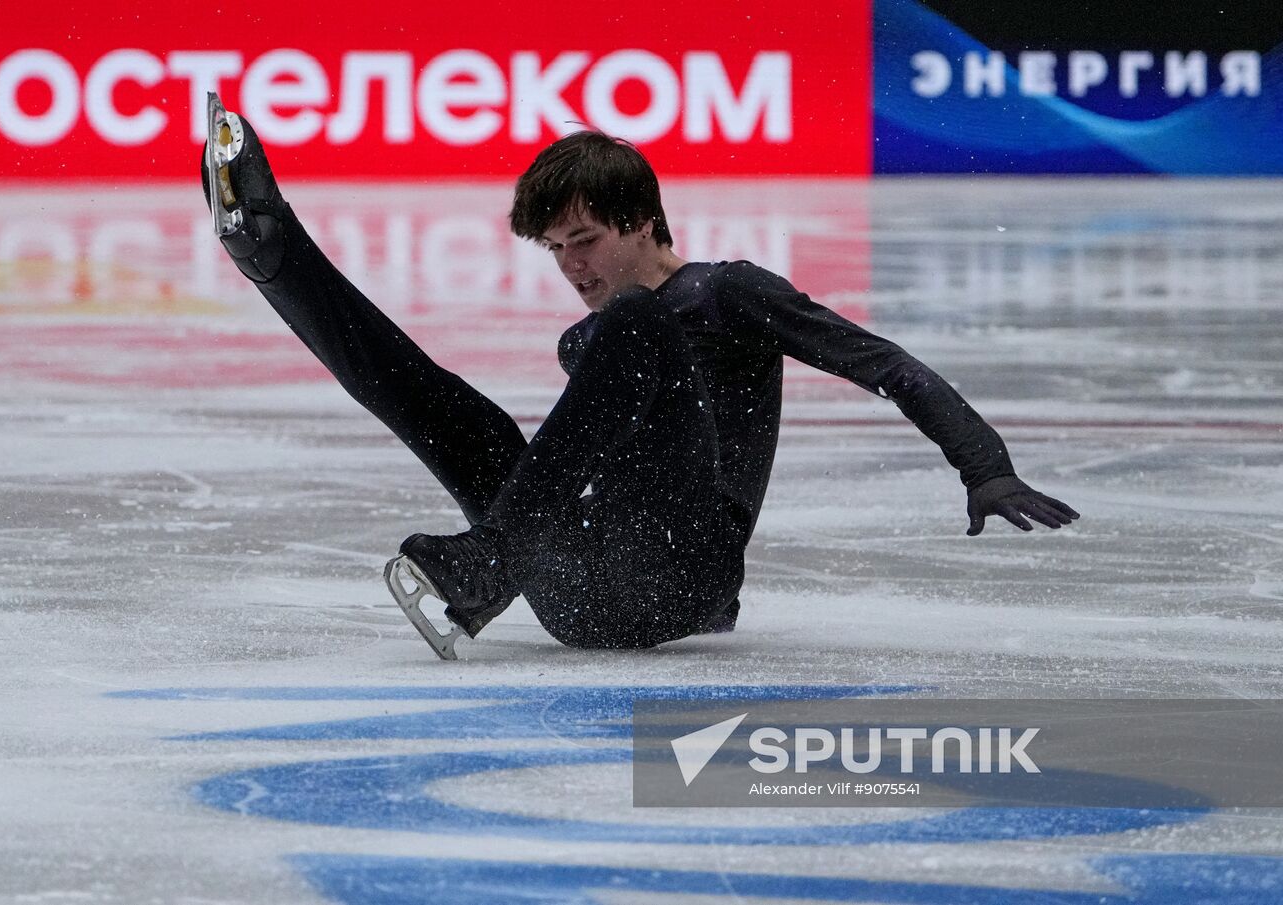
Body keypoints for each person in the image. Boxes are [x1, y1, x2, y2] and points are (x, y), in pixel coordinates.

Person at [202, 120, 1079, 650]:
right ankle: (274, 253)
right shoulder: (596, 334)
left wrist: (983, 464)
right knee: (451, 406)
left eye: (583, 238)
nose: (571, 265)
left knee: (633, 319)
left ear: (642, 219)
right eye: (555, 249)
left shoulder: (725, 292)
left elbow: (884, 364)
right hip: (575, 590)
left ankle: (489, 560)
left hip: (681, 577)